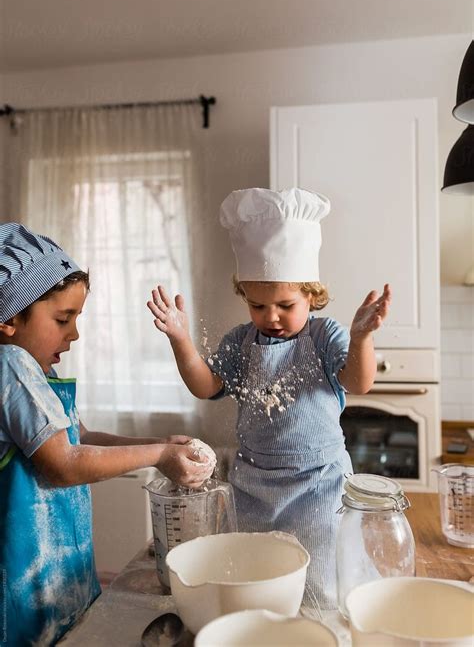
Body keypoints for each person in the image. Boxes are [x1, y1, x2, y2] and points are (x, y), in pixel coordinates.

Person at [147, 187, 391, 610]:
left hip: (319, 485)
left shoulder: (323, 335)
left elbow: (359, 381)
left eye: (285, 304)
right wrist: (181, 340)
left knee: (321, 590)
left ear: (312, 296)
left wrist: (361, 337)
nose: (271, 316)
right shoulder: (241, 342)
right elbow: (205, 386)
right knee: (257, 583)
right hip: (254, 487)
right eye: (258, 305)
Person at [0, 223, 216, 646]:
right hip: (24, 595)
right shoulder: (11, 364)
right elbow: (63, 464)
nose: (75, 333)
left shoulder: (39, 371)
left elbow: (80, 439)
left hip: (59, 581)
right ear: (8, 319)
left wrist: (161, 445)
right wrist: (156, 456)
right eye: (63, 318)